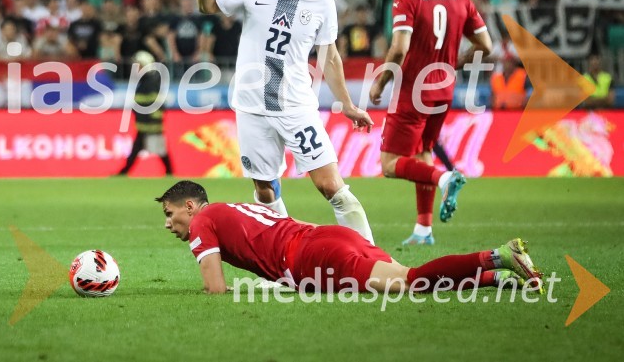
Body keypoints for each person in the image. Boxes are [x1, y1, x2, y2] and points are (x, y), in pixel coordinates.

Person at [196, 0, 375, 244]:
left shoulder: (323, 2)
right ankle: (280, 265)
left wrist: (347, 104)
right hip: (251, 107)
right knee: (263, 187)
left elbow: (330, 56)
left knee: (331, 186)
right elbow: (208, 6)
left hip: (295, 106)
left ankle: (370, 259)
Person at [157, 180, 543, 294]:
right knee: (412, 276)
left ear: (191, 206)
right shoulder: (231, 208)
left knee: (412, 282)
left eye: (169, 213)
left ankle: (498, 255)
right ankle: (500, 278)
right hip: (327, 236)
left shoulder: (203, 223)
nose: (168, 223)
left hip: (314, 258)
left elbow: (216, 289)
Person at [369, 0, 493, 246]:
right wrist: (456, 62)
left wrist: (381, 82)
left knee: (389, 164)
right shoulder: (462, 1)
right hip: (444, 90)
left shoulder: (406, 1)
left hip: (413, 91)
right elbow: (486, 46)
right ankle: (424, 230)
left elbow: (399, 48)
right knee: (424, 153)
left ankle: (446, 178)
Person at [115, 51, 174, 176]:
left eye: (138, 64)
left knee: (157, 150)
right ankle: (125, 171)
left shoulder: (151, 81)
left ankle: (169, 172)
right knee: (145, 149)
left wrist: (146, 116)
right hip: (146, 123)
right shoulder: (148, 79)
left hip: (150, 124)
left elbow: (152, 103)